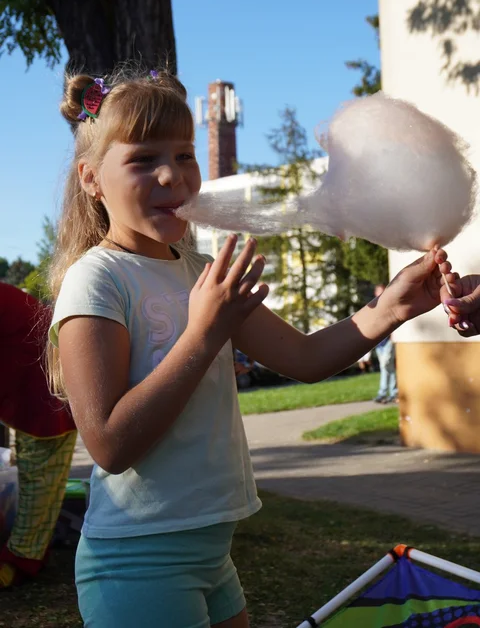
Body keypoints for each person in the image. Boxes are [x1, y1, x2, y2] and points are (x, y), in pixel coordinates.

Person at [47, 67, 451, 628]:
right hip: (138, 562)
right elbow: (110, 444)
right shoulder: (97, 280)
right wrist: (203, 333)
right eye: (143, 160)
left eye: (185, 155)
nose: (172, 175)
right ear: (91, 179)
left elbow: (304, 359)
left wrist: (390, 309)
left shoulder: (201, 271)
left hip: (214, 553)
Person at [0, 282, 77, 587]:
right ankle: (28, 552)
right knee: (38, 481)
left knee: (39, 483)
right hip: (38, 386)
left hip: (44, 391)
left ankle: (22, 560)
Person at [372, 284, 398, 404]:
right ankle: (394, 392)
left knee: (384, 366)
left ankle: (382, 393)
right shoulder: (374, 307)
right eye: (379, 292)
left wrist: (393, 337)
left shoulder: (389, 305)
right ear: (375, 293)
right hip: (379, 343)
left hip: (388, 341)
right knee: (389, 368)